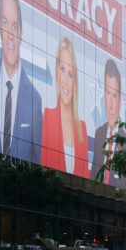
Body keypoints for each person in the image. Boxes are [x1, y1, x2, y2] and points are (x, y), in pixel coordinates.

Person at [0, 0, 42, 163]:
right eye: (5, 23)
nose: (10, 33)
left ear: (21, 32)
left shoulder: (34, 99)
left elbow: (37, 163)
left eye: (15, 26)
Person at [41, 37, 90, 178]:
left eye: (71, 74)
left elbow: (85, 179)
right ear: (57, 71)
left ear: (75, 81)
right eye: (63, 69)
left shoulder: (82, 128)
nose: (66, 82)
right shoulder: (48, 117)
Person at [91, 59, 126, 188]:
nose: (111, 105)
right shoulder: (99, 133)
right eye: (108, 93)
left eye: (115, 95)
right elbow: (93, 174)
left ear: (120, 100)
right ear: (103, 96)